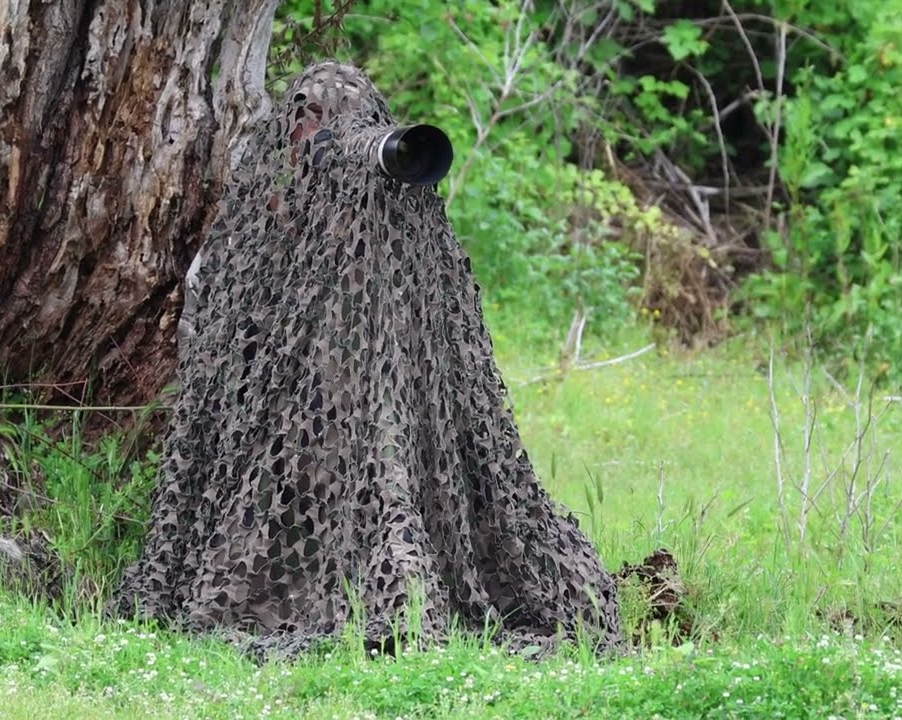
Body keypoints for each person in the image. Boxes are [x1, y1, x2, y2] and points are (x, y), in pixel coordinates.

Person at [116, 62, 623, 657]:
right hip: (279, 449)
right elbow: (211, 337)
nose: (323, 136)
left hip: (389, 440)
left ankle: (396, 594)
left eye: (344, 121)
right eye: (314, 119)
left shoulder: (406, 231)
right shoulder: (260, 229)